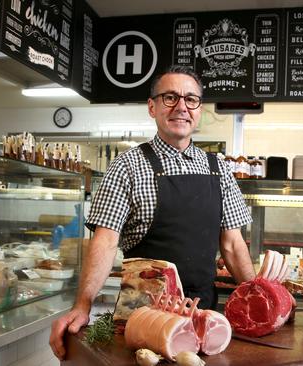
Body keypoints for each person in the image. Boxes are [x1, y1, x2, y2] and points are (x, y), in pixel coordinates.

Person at [49, 65, 255, 360]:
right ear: (152, 106)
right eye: (170, 97)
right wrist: (82, 305)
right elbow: (105, 242)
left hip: (204, 318)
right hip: (144, 321)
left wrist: (256, 296)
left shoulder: (219, 168)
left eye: (191, 99)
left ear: (199, 110)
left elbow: (232, 245)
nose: (181, 107)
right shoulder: (127, 165)